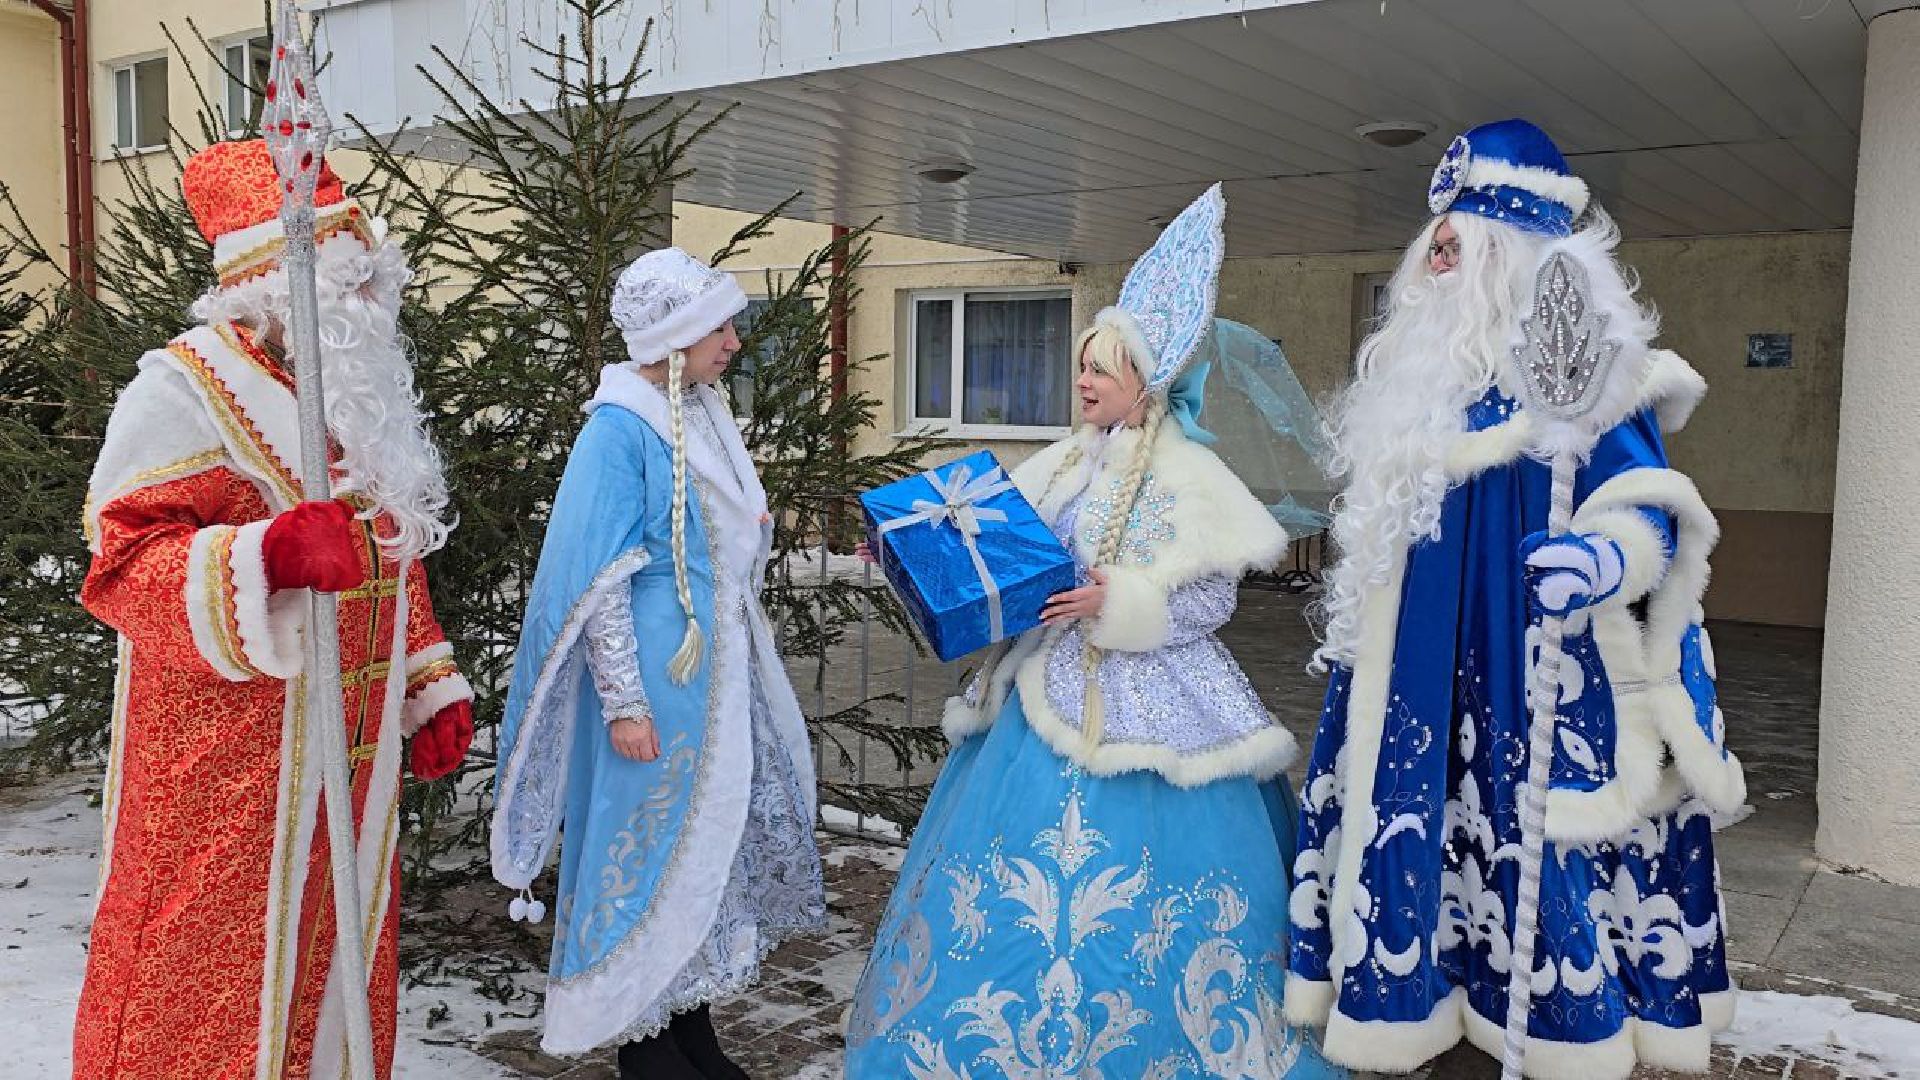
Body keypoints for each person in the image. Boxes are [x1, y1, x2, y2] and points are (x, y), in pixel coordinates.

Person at [845, 186, 1345, 1080]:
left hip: (1158, 701)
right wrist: (912, 549)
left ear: (1142, 384)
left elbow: (1211, 602)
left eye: (1100, 372)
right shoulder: (1062, 462)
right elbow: (1001, 550)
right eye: (1080, 367)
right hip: (1039, 694)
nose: (1082, 383)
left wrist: (1120, 601)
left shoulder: (1193, 479)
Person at [1282, 119, 1743, 1078]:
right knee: (1413, 829)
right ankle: (1419, 1000)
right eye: (1433, 246)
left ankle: (1557, 1026)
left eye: (1460, 246)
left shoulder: (1592, 381)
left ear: (1517, 258)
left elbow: (1648, 503)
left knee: (1534, 847)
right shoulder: (1418, 394)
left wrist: (1606, 559)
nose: (1436, 262)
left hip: (1530, 668)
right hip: (1413, 674)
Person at [74, 138, 474, 1078]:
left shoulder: (349, 394)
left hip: (351, 755)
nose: (372, 298)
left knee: (337, 957)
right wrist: (264, 558)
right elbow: (121, 561)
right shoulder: (184, 388)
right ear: (275, 285)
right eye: (350, 279)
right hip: (223, 770)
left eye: (374, 276)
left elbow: (392, 550)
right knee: (206, 979)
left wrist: (427, 680)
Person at [491, 247, 825, 1079]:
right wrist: (625, 705)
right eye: (720, 329)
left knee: (698, 858)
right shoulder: (618, 428)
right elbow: (600, 582)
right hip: (658, 686)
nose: (735, 344)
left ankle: (688, 1031)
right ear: (674, 337)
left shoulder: (698, 408)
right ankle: (644, 1051)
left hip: (712, 678)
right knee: (645, 860)